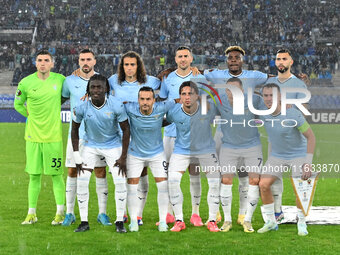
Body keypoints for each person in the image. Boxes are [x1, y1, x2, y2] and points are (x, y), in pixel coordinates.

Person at [203, 46, 269, 225]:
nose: (233, 60)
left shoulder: (254, 76)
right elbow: (196, 73)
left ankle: (241, 214)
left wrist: (294, 79)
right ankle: (215, 213)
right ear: (227, 60)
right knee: (218, 176)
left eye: (236, 57)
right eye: (230, 57)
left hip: (245, 133)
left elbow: (274, 79)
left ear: (242, 60)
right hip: (224, 132)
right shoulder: (217, 74)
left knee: (244, 177)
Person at [108, 51, 162, 225]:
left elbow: (168, 87)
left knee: (141, 177)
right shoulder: (112, 82)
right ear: (121, 66)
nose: (129, 67)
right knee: (122, 177)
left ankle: (138, 214)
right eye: (126, 64)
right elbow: (99, 92)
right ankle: (123, 213)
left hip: (142, 138)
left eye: (133, 64)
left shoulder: (152, 82)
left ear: (138, 66)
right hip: (120, 136)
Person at [71, 74, 130, 233]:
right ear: (88, 90)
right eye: (93, 87)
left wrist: (123, 156)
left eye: (99, 87)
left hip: (113, 145)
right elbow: (74, 130)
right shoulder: (82, 106)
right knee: (82, 181)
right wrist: (76, 154)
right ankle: (84, 222)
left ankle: (119, 221)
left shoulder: (116, 105)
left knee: (120, 182)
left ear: (106, 89)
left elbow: (126, 129)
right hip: (90, 145)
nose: (96, 90)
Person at [14, 50, 66, 225]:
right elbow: (17, 103)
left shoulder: (60, 80)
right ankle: (31, 214)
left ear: (52, 63)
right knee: (34, 176)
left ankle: (60, 212)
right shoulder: (26, 82)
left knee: (56, 176)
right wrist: (29, 115)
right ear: (35, 63)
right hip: (33, 137)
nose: (43, 63)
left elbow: (71, 91)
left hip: (53, 138)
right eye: (39, 60)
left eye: (46, 60)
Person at [160, 46, 209, 227]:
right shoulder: (168, 78)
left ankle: (195, 213)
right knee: (169, 176)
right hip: (171, 134)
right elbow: (165, 102)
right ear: (175, 59)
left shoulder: (200, 78)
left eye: (185, 56)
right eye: (179, 56)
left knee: (194, 174)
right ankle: (170, 213)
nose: (182, 59)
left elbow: (206, 102)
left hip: (194, 135)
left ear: (191, 58)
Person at [257, 83, 315, 236]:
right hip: (277, 156)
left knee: (301, 187)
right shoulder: (262, 112)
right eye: (266, 95)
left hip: (298, 155)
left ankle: (301, 222)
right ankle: (271, 222)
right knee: (263, 185)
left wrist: (307, 164)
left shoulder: (293, 114)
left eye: (272, 95)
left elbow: (311, 137)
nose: (269, 99)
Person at [61, 49, 109, 226]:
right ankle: (70, 213)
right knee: (72, 171)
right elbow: (59, 99)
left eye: (89, 59)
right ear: (78, 61)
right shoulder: (69, 81)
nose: (85, 62)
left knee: (100, 171)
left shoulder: (103, 80)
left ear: (94, 61)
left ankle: (102, 213)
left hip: (98, 136)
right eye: (82, 59)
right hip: (76, 136)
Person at [167, 81, 220, 232]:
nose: (187, 97)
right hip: (182, 150)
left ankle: (212, 220)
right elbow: (163, 121)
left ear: (197, 96)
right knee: (173, 181)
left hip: (206, 150)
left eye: (190, 93)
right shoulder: (174, 112)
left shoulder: (208, 109)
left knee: (215, 182)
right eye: (183, 94)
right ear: (180, 97)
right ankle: (179, 220)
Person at [264, 48, 310, 222]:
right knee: (274, 177)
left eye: (284, 59)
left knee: (299, 180)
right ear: (275, 62)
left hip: (295, 141)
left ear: (291, 62)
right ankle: (277, 212)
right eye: (278, 59)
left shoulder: (299, 84)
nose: (280, 62)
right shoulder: (270, 82)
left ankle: (301, 216)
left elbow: (304, 110)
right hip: (275, 140)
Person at [214, 77, 263, 233]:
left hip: (252, 147)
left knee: (254, 180)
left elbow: (271, 110)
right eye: (229, 89)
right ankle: (227, 220)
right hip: (229, 147)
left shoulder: (254, 101)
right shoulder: (219, 102)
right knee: (226, 180)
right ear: (226, 91)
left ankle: (247, 220)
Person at [124, 87, 176, 232]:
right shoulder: (130, 107)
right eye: (142, 99)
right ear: (138, 100)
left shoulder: (162, 107)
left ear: (154, 100)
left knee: (162, 187)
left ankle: (163, 222)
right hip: (135, 154)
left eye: (148, 99)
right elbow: (114, 103)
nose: (145, 102)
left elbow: (179, 101)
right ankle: (134, 221)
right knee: (132, 188)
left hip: (157, 154)